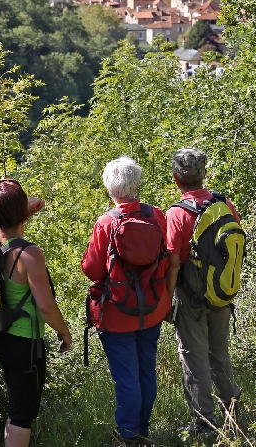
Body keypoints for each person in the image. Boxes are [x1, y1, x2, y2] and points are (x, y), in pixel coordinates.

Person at [82, 157, 171, 447]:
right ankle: (140, 428)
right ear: (136, 184)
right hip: (152, 307)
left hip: (117, 312)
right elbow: (167, 259)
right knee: (146, 369)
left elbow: (93, 270)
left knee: (127, 375)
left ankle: (129, 435)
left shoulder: (106, 222)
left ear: (110, 188)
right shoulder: (156, 215)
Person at [0, 178, 72, 447]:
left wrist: (27, 209)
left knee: (16, 408)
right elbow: (45, 306)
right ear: (21, 213)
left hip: (1, 336)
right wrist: (65, 332)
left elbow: (8, 223)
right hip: (25, 342)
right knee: (23, 414)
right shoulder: (29, 254)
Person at [164, 148, 242, 437]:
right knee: (219, 354)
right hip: (222, 294)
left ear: (176, 178)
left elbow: (173, 263)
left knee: (194, 358)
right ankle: (232, 413)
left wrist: (166, 299)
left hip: (191, 298)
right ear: (204, 174)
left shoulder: (177, 213)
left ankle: (204, 424)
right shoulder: (224, 204)